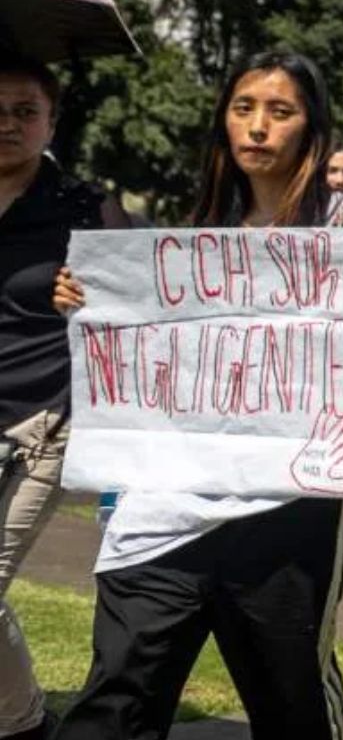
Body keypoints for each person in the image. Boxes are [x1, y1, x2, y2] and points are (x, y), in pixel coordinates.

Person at [52, 50, 343, 740]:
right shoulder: (196, 231)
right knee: (117, 695)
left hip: (293, 514)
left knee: (288, 698)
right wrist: (89, 302)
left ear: (310, 131)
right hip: (169, 507)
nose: (258, 127)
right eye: (243, 109)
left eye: (279, 112)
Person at [0, 52, 128, 740]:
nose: (8, 125)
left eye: (25, 111)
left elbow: (147, 294)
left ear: (52, 121)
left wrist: (91, 295)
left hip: (44, 421)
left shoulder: (85, 206)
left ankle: (22, 725)